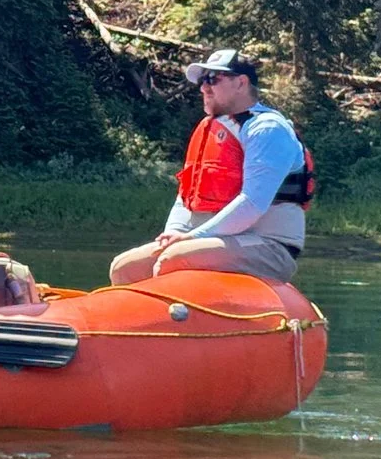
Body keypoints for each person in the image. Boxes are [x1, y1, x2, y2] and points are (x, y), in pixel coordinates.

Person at [108, 48, 313, 287]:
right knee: (124, 268)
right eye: (203, 80)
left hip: (268, 247)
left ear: (241, 83)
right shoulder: (211, 128)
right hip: (206, 242)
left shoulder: (267, 129)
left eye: (213, 79)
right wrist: (173, 234)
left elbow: (253, 203)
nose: (204, 87)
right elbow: (185, 199)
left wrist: (192, 238)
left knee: (174, 259)